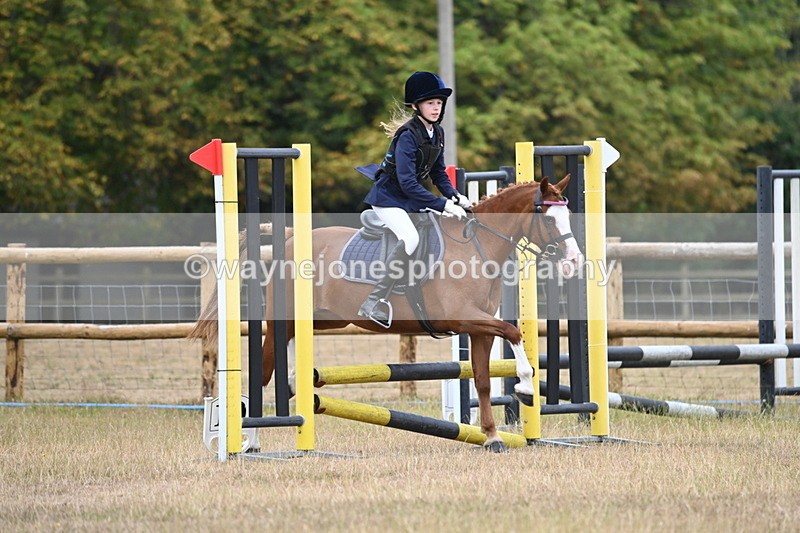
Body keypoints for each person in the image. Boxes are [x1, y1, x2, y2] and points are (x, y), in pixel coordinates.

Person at [356, 71, 474, 328]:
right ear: (416, 105)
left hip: (409, 197)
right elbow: (408, 182)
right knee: (411, 238)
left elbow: (438, 173)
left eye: (439, 103)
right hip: (388, 198)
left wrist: (456, 196)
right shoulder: (408, 135)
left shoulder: (437, 132)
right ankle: (374, 301)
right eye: (430, 102)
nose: (436, 107)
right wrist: (443, 205)